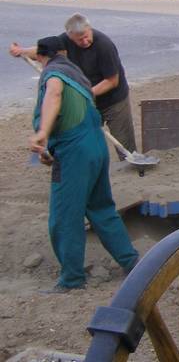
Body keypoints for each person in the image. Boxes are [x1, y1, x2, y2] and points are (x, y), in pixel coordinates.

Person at [29, 36, 139, 293]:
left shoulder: (53, 73)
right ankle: (131, 261)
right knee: (101, 209)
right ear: (64, 52)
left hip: (75, 151)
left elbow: (54, 94)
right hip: (97, 147)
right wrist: (48, 151)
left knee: (65, 216)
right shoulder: (77, 74)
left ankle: (72, 279)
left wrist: (42, 132)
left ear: (42, 57)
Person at [9, 13, 137, 159]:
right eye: (79, 39)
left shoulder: (104, 45)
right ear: (70, 37)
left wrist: (83, 93)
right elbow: (44, 52)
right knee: (87, 139)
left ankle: (131, 164)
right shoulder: (64, 41)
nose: (85, 41)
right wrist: (21, 51)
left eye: (86, 36)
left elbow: (112, 81)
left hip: (114, 100)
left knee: (124, 142)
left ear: (90, 29)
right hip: (87, 101)